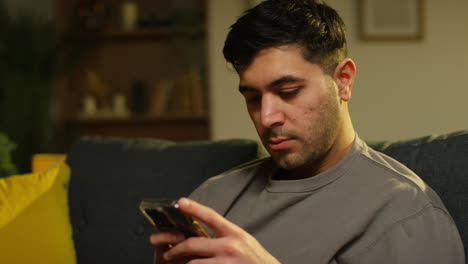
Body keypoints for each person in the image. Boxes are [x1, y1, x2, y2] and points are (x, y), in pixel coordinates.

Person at [150, 0, 465, 263]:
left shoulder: (405, 215)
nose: (267, 117)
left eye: (288, 91)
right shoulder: (211, 198)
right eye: (252, 98)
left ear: (343, 81)